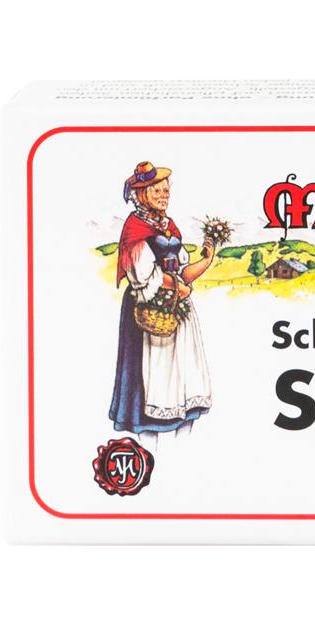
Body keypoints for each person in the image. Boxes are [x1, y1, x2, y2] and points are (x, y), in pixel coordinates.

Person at [109, 161, 216, 443]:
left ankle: (179, 432)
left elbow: (182, 273)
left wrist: (207, 260)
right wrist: (179, 287)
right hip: (148, 308)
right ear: (142, 194)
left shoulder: (168, 226)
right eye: (156, 190)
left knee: (180, 372)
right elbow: (143, 276)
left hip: (175, 310)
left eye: (166, 190)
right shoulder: (136, 228)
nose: (163, 195)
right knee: (153, 374)